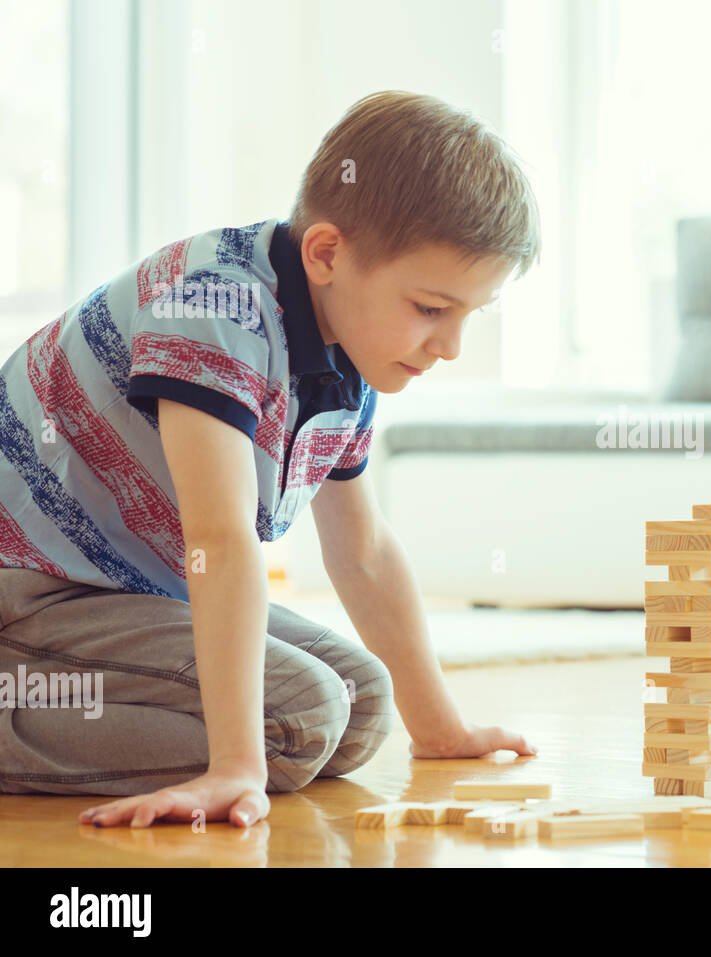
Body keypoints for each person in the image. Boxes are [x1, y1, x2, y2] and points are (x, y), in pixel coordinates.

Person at [0, 91, 540, 827]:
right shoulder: (215, 308)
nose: (450, 346)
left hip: (122, 594)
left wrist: (440, 729)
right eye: (431, 308)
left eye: (471, 315)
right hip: (30, 590)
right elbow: (218, 542)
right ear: (326, 253)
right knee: (298, 716)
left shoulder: (346, 352)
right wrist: (234, 766)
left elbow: (365, 552)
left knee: (362, 701)